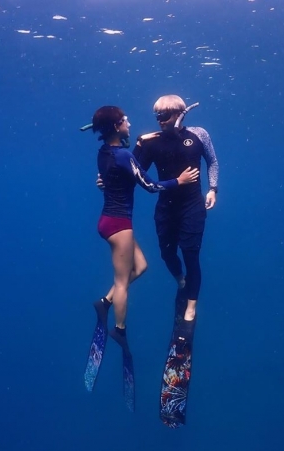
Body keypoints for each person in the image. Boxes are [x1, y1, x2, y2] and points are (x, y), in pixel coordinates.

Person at [88, 105, 199, 348]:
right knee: (121, 282)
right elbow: (150, 185)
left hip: (109, 221)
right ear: (117, 126)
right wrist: (179, 181)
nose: (129, 121)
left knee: (140, 267)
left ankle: (106, 302)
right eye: (125, 120)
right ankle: (120, 330)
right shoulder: (123, 157)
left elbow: (122, 170)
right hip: (120, 225)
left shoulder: (104, 152)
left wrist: (141, 141)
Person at [132, 95, 219, 324]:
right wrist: (138, 144)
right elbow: (134, 171)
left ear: (180, 114)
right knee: (167, 254)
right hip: (166, 208)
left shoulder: (199, 134)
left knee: (191, 256)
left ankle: (191, 307)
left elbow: (212, 161)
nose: (160, 120)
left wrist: (213, 189)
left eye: (165, 115)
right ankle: (181, 281)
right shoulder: (152, 142)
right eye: (157, 115)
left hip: (192, 207)